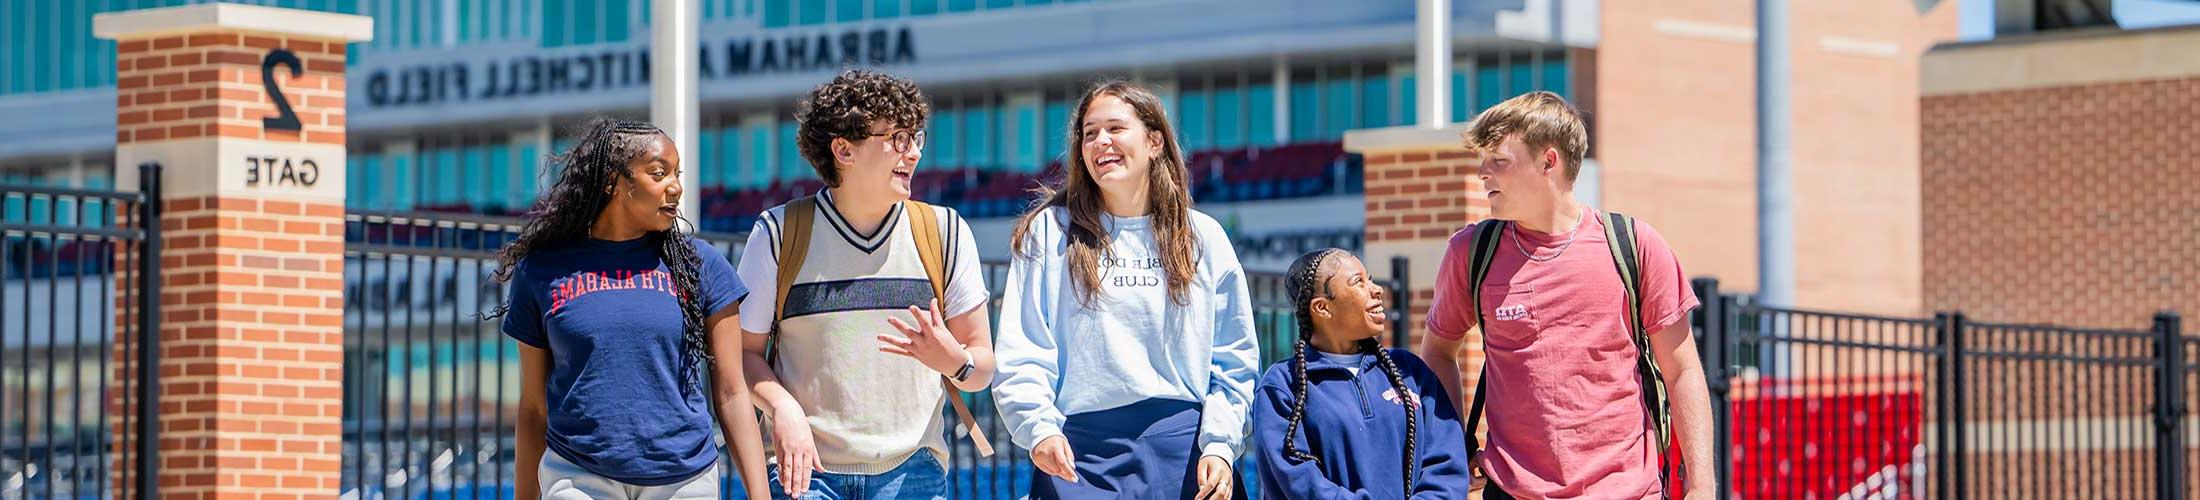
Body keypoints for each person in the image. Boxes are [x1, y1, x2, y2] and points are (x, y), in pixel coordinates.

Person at [1419, 91, 1716, 499]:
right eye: (1483, 161)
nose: (1482, 173)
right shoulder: (1471, 253)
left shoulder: (1634, 246)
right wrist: (1455, 446)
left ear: (1549, 161)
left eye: (1499, 161)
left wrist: (1701, 486)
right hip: (1512, 492)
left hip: (1628, 491)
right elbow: (1437, 351)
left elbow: (1682, 370)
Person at [991, 79, 1259, 500]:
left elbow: (1233, 361)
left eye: (1115, 128)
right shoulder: (1048, 233)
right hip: (1080, 457)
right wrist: (1038, 428)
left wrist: (1221, 445)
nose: (1101, 142)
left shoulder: (1202, 237)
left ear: (1154, 141)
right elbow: (1022, 350)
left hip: (1184, 454)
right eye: (1089, 133)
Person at [733, 69, 994, 500]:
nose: (912, 154)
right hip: (804, 475)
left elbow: (981, 367)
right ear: (843, 150)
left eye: (915, 138)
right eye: (897, 138)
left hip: (913, 474)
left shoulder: (945, 231)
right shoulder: (778, 233)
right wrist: (782, 407)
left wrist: (955, 361)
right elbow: (740, 355)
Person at [497, 118, 770, 499]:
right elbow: (533, 408)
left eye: (677, 173)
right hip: (577, 473)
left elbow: (731, 392)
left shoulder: (700, 265)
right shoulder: (542, 271)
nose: (675, 186)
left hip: (684, 477)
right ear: (613, 181)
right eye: (659, 173)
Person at [1252, 248, 1473, 499]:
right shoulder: (1283, 386)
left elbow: (1447, 465)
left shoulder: (1411, 372)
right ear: (1322, 307)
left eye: (1370, 279)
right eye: (1359, 282)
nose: (1376, 289)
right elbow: (1298, 481)